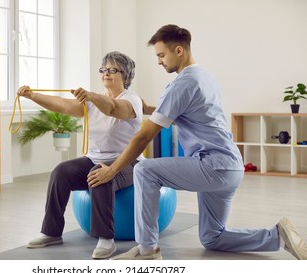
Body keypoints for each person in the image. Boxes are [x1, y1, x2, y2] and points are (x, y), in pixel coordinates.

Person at [87, 24, 307, 260]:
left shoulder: (181, 84)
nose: (159, 62)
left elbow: (143, 136)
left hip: (212, 165)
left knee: (144, 170)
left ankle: (147, 249)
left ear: (179, 50)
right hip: (231, 166)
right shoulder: (205, 76)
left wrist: (113, 169)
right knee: (213, 237)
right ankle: (277, 236)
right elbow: (185, 112)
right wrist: (148, 107)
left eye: (161, 55)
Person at [16, 51, 143, 259]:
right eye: (103, 69)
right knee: (61, 172)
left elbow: (114, 109)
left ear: (126, 76)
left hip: (127, 162)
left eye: (113, 70)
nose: (106, 73)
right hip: (94, 158)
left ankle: (105, 239)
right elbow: (64, 105)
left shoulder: (132, 100)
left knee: (98, 173)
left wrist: (92, 96)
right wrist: (32, 96)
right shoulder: (92, 102)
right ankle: (51, 232)